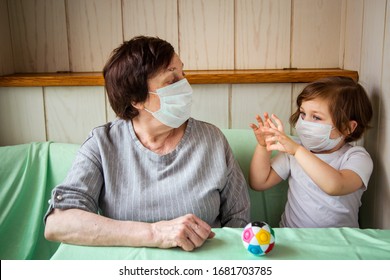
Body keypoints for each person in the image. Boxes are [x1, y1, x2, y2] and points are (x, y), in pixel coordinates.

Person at [44, 36, 250, 251]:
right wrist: (154, 233)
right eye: (171, 81)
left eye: (183, 74)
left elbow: (239, 220)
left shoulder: (212, 139)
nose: (186, 85)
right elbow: (58, 223)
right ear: (137, 99)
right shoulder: (102, 145)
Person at [249, 76, 373, 228]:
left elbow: (336, 186)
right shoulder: (295, 150)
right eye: (303, 114)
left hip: (340, 242)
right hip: (293, 238)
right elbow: (259, 182)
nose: (305, 122)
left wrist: (297, 151)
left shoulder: (357, 157)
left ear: (348, 127)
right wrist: (263, 146)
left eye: (316, 117)